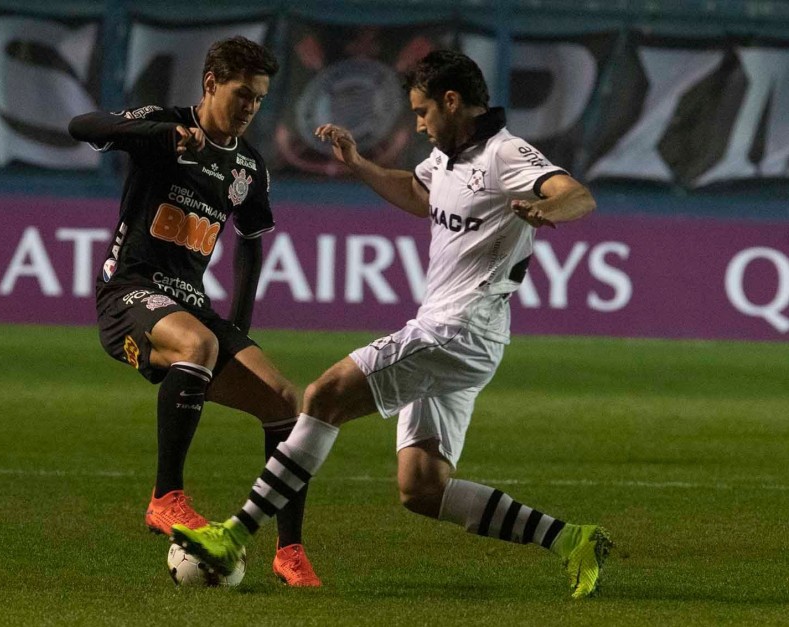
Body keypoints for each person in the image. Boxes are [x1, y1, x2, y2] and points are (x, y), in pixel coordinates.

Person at [173, 49, 611, 598]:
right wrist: (359, 165)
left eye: (423, 111)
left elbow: (576, 193)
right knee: (422, 488)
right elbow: (416, 192)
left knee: (325, 393)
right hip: (464, 334)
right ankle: (572, 540)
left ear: (453, 102)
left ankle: (234, 535)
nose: (419, 124)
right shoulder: (450, 156)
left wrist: (551, 210)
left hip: (458, 329)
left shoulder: (505, 154)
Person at [68, 36, 321, 586]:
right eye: (242, 95)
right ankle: (166, 496)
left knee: (286, 401)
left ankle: (291, 552)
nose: (251, 107)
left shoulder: (248, 168)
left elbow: (251, 241)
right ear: (210, 84)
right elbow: (83, 126)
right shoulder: (165, 125)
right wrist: (158, 133)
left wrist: (242, 326)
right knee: (198, 345)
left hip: (191, 306)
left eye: (258, 98)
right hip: (128, 294)